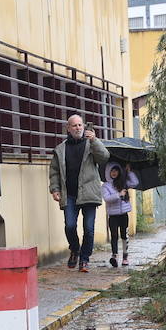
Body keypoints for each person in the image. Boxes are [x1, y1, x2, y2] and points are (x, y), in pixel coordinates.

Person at [48, 114, 110, 272]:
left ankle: (84, 259)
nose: (78, 128)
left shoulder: (91, 144)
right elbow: (54, 171)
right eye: (74, 125)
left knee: (89, 229)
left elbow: (104, 158)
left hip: (89, 193)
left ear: (84, 127)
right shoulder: (61, 149)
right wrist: (55, 189)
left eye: (80, 125)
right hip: (69, 194)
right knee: (70, 226)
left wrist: (95, 140)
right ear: (68, 128)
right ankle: (74, 250)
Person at [101, 161, 140, 268]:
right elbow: (107, 199)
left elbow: (135, 182)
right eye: (112, 171)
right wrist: (119, 194)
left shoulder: (124, 182)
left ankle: (125, 257)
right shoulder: (106, 186)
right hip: (113, 216)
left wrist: (129, 171)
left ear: (119, 171)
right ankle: (114, 256)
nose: (114, 173)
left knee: (124, 235)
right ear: (108, 172)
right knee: (114, 236)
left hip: (123, 214)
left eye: (116, 170)